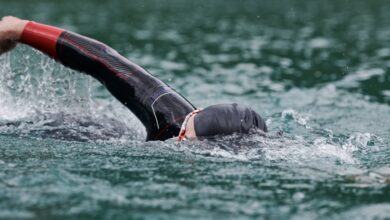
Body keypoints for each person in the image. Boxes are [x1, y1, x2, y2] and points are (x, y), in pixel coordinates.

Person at [0, 16, 267, 141]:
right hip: (64, 127)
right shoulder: (172, 120)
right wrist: (19, 28)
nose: (181, 135)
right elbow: (104, 60)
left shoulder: (180, 132)